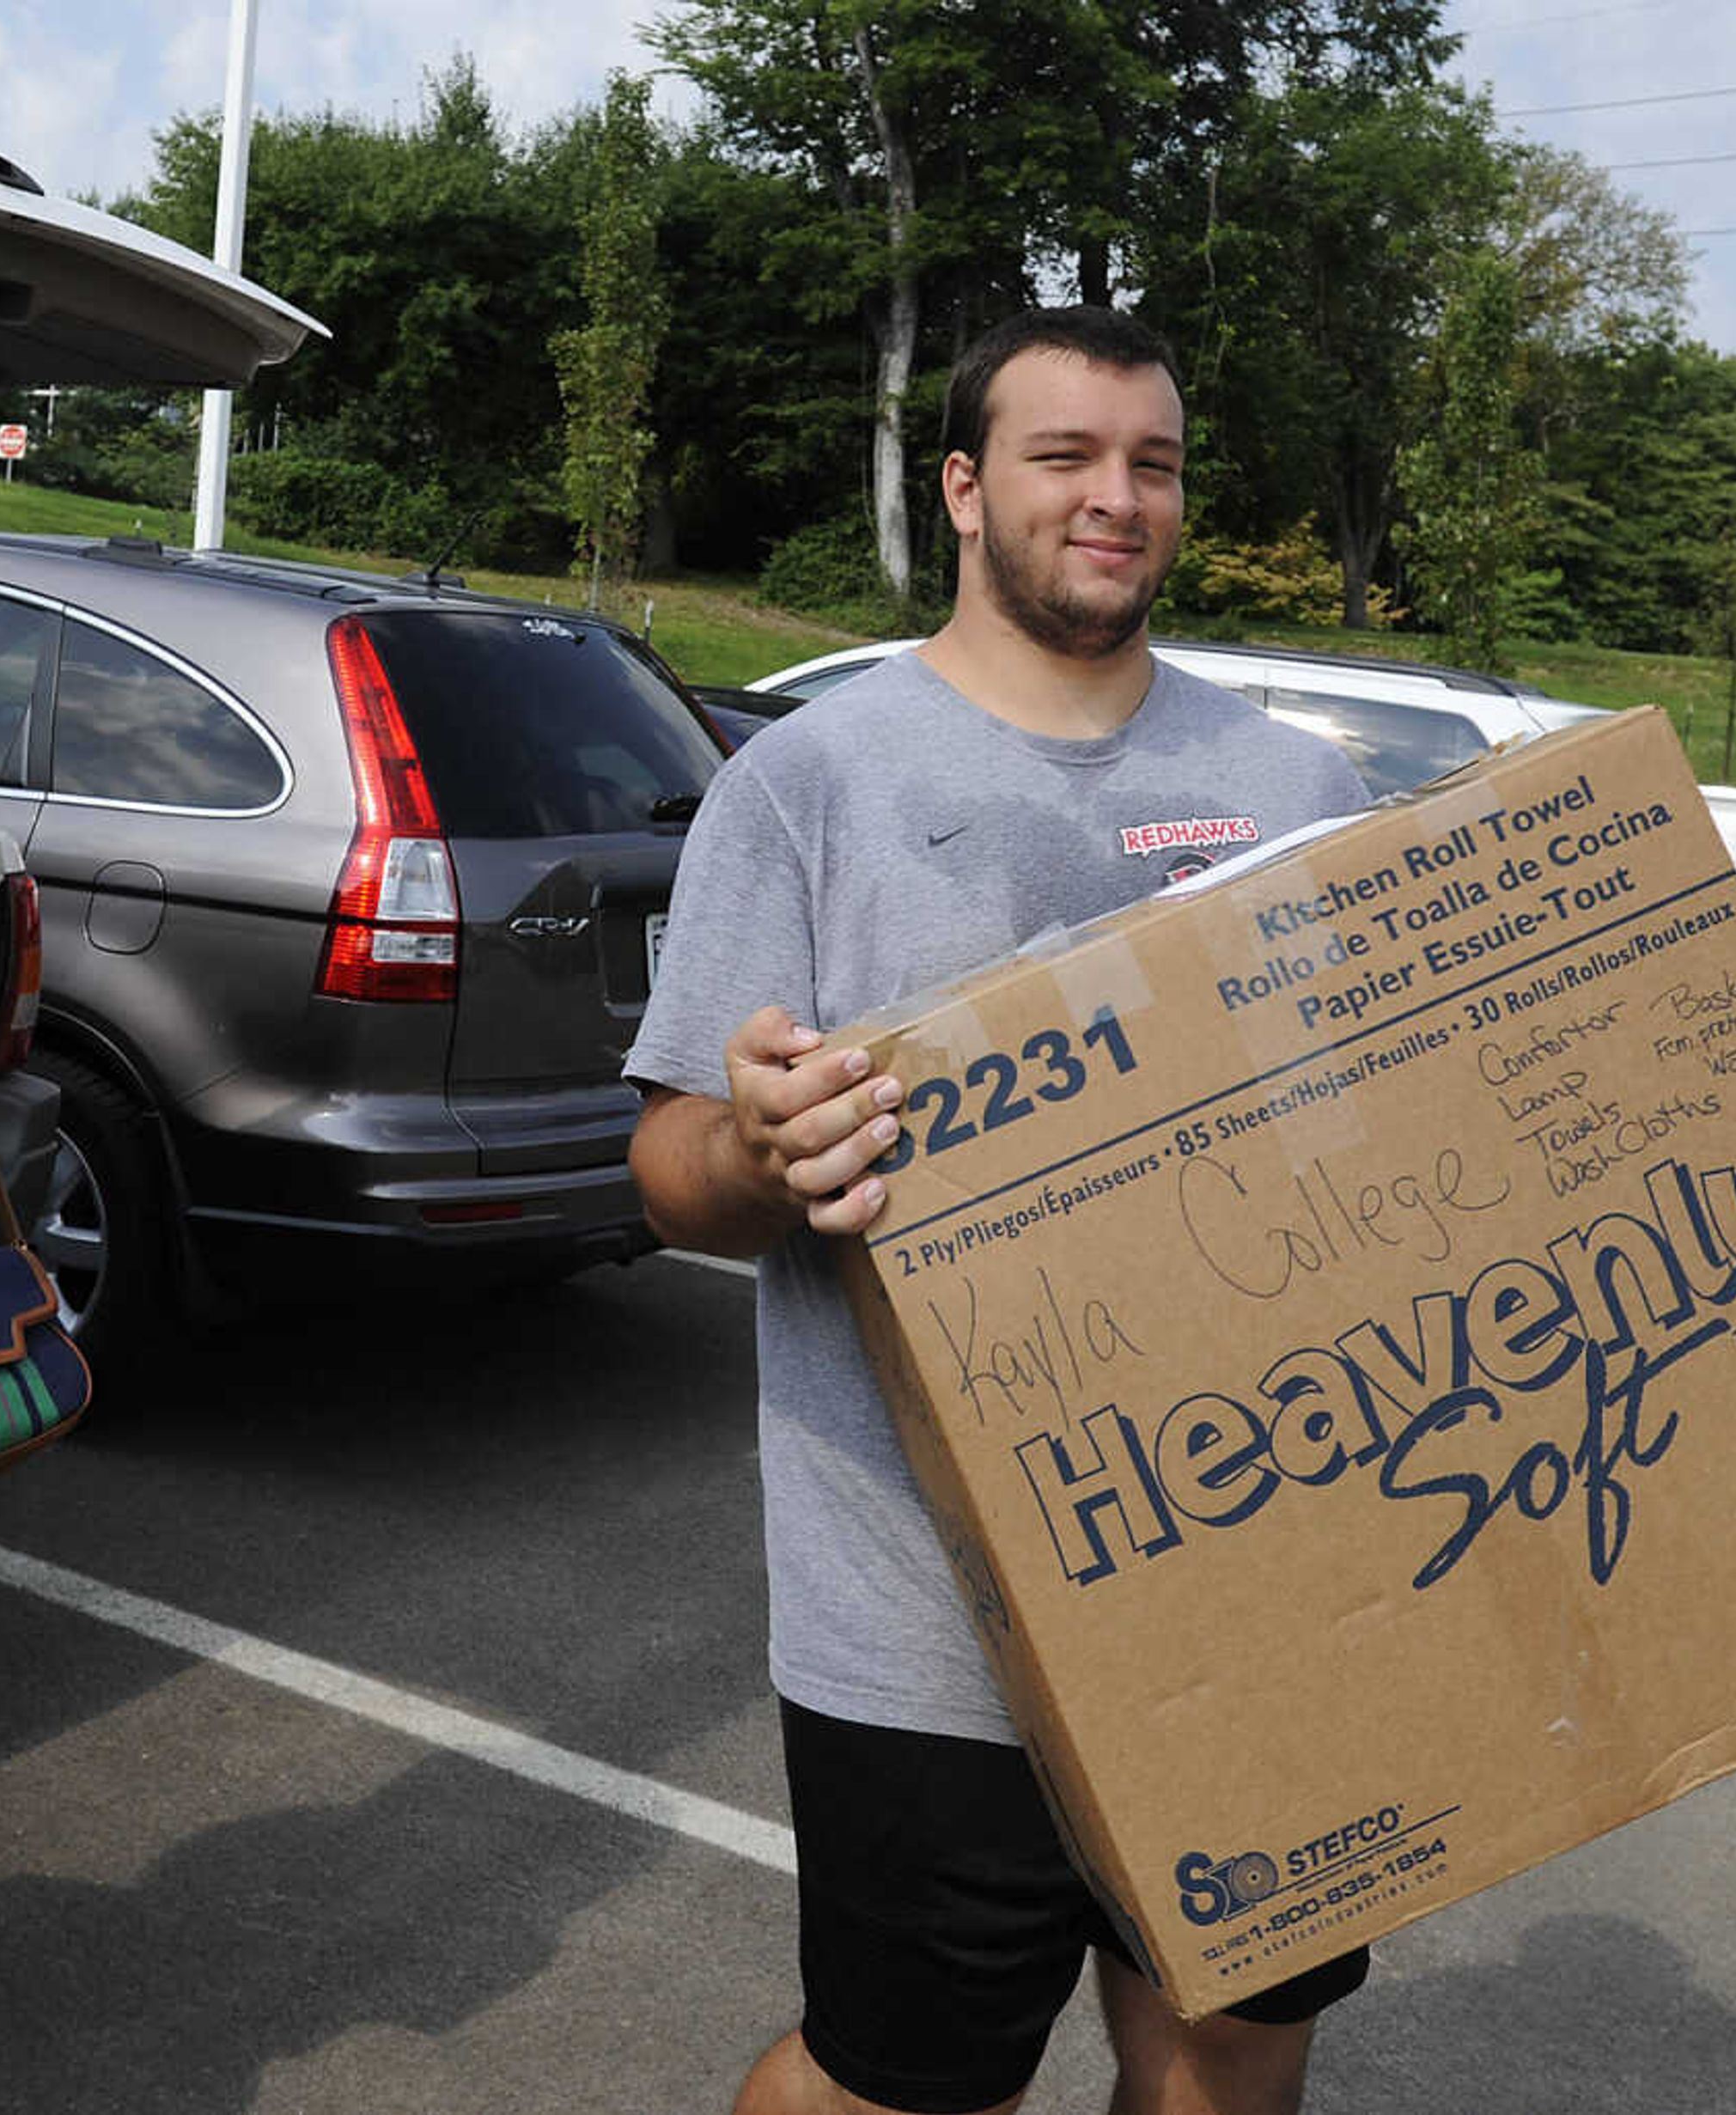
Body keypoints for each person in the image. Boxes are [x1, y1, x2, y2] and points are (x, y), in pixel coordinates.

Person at [624, 308, 1377, 2115]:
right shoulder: (810, 783)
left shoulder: (1303, 795)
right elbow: (664, 1178)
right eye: (1066, 458)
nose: (1116, 500)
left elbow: (1383, 1161)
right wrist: (758, 1152)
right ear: (964, 489)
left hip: (1272, 1579)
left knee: (1230, 2044)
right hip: (924, 1614)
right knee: (906, 2076)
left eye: (1155, 463)